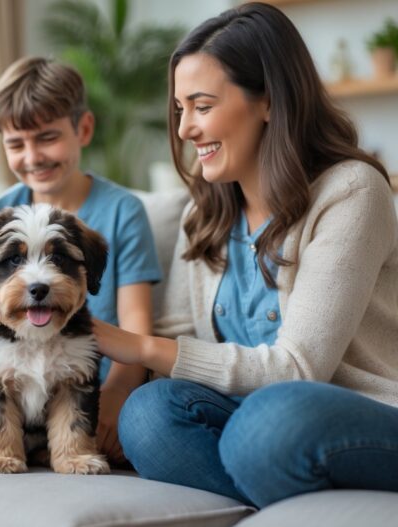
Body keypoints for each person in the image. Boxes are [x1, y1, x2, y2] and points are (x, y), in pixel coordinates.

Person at [92, 1, 398, 508]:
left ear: (270, 101)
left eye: (203, 105)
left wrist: (139, 347)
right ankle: (273, 484)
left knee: (270, 420)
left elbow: (299, 369)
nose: (186, 128)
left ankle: (265, 464)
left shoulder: (351, 191)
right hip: (252, 419)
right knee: (149, 412)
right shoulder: (207, 211)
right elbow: (182, 338)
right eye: (180, 109)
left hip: (355, 412)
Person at [0, 56, 161, 464]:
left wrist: (113, 398)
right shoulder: (0, 214)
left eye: (47, 137)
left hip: (89, 390)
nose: (32, 157)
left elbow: (135, 326)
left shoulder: (122, 211)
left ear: (83, 129)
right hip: (23, 397)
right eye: (16, 144)